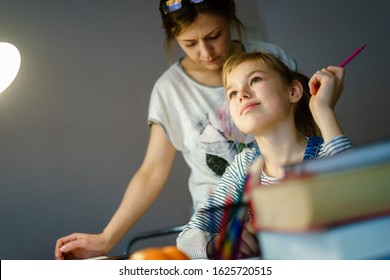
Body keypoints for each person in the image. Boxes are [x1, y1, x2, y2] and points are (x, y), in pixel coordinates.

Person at [55, 0, 297, 260]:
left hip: (291, 202)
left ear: (230, 17)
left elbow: (306, 132)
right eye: (190, 44)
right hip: (221, 226)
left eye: (214, 36)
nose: (206, 52)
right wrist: (106, 238)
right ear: (174, 37)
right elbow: (152, 172)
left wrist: (323, 110)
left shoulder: (269, 60)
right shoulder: (170, 91)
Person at [176, 50, 354, 259]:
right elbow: (186, 239)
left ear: (294, 91)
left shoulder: (326, 155)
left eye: (255, 79)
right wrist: (215, 244)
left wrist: (322, 109)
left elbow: (360, 196)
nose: (241, 94)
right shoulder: (244, 166)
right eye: (232, 93)